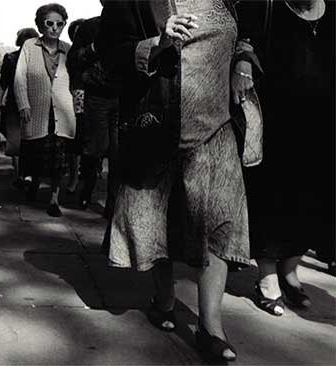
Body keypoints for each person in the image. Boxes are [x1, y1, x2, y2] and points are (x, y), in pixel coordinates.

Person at [97, 0, 259, 362]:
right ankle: (165, 299)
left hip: (217, 127)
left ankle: (211, 327)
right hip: (157, 126)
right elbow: (108, 57)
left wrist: (244, 60)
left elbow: (247, 36)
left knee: (220, 220)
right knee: (158, 221)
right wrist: (155, 43)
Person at [241, 0, 335, 316]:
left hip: (322, 129)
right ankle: (267, 277)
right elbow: (242, 45)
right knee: (270, 198)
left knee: (309, 201)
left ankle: (290, 270)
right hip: (276, 126)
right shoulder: (265, 7)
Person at [14, 3, 76, 217]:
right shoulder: (30, 46)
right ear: (41, 25)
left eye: (60, 24)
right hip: (37, 108)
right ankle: (34, 182)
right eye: (49, 23)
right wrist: (23, 104)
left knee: (59, 156)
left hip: (62, 111)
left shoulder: (68, 49)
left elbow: (76, 80)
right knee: (36, 152)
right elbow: (20, 77)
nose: (54, 28)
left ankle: (54, 198)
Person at [67, 14, 120, 216]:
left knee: (118, 152)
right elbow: (74, 60)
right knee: (97, 147)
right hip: (97, 94)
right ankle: (86, 189)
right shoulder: (91, 26)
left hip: (124, 95)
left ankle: (112, 204)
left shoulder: (133, 20)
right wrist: (94, 49)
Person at [0, 27, 40, 190]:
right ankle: (28, 175)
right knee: (31, 140)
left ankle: (21, 174)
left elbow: (2, 86)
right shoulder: (39, 59)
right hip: (34, 105)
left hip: (14, 105)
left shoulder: (11, 58)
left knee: (16, 142)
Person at [65, 18, 86, 194]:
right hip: (74, 100)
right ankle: (74, 177)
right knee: (75, 142)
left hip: (94, 100)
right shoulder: (70, 54)